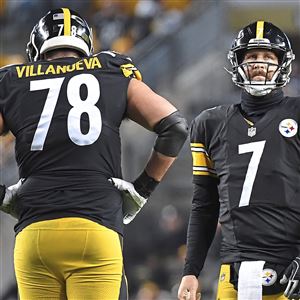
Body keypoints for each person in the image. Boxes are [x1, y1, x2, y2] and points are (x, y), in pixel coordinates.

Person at [0, 8, 188, 300]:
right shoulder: (111, 71)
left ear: (36, 49)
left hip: (34, 234)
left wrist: (1, 195)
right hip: (95, 226)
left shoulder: (12, 80)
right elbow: (174, 127)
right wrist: (142, 189)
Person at [178, 21, 300, 300]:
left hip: (290, 267)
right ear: (237, 63)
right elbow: (204, 205)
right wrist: (191, 270)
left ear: (283, 64)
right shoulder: (210, 124)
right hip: (234, 270)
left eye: (269, 57)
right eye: (252, 57)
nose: (259, 64)